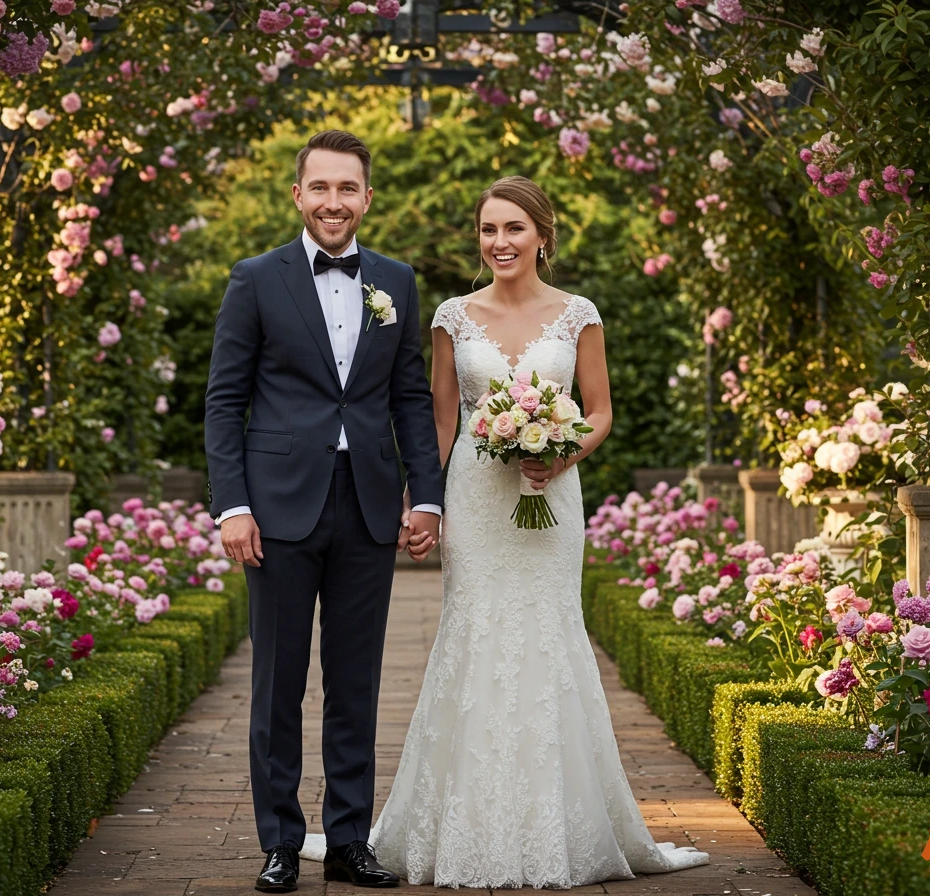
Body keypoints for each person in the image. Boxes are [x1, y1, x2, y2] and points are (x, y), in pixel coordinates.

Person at [300, 175, 710, 887]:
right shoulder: (453, 317)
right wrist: (417, 498)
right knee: (475, 634)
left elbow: (601, 410)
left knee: (551, 636)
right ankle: (465, 822)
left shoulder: (578, 314)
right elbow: (439, 419)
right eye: (489, 230)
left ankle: (558, 825)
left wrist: (560, 451)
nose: (500, 242)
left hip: (554, 503)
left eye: (514, 229)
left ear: (542, 236)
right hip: (478, 502)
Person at [204, 129, 443, 892]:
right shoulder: (255, 278)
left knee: (356, 682)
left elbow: (410, 397)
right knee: (278, 682)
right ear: (298, 195)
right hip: (275, 510)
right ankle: (279, 841)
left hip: (369, 505)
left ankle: (347, 839)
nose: (334, 202)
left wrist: (428, 494)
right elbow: (224, 401)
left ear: (367, 199)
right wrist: (232, 504)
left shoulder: (397, 283)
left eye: (348, 189)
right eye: (321, 188)